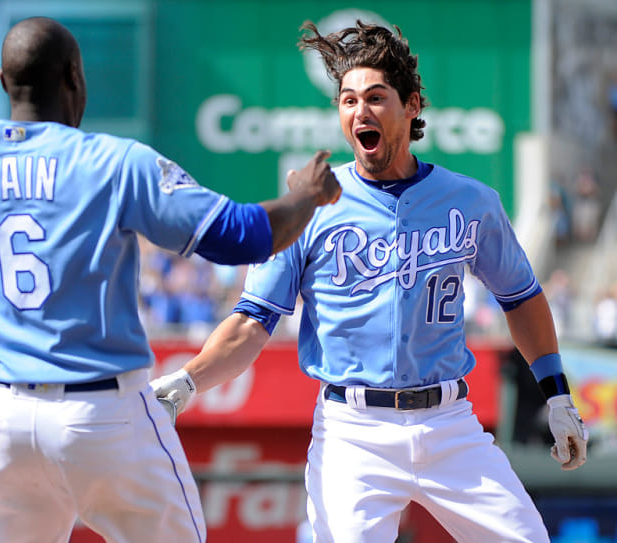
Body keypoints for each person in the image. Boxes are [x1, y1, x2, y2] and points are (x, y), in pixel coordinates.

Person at [0, 16, 341, 543]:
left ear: (3, 83)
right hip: (103, 413)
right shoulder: (114, 162)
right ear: (75, 78)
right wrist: (306, 196)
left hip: (0, 420)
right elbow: (242, 236)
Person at [152, 20, 588, 543]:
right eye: (348, 100)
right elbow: (253, 321)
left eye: (376, 98)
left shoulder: (471, 201)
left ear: (412, 105)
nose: (360, 111)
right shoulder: (308, 208)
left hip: (449, 421)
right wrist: (187, 380)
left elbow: (521, 299)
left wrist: (557, 394)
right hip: (351, 432)